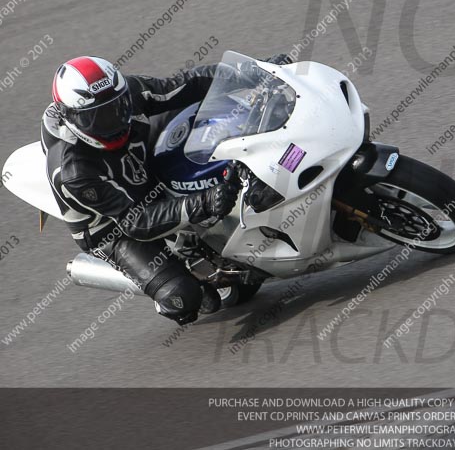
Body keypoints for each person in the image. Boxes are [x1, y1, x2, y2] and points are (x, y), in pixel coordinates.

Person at [41, 54, 290, 324]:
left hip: (139, 159)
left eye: (117, 107)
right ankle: (170, 285)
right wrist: (203, 202)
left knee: (207, 117)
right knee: (184, 298)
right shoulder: (75, 172)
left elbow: (186, 84)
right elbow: (136, 221)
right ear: (72, 119)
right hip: (114, 227)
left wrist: (255, 71)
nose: (114, 122)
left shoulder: (128, 93)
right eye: (97, 118)